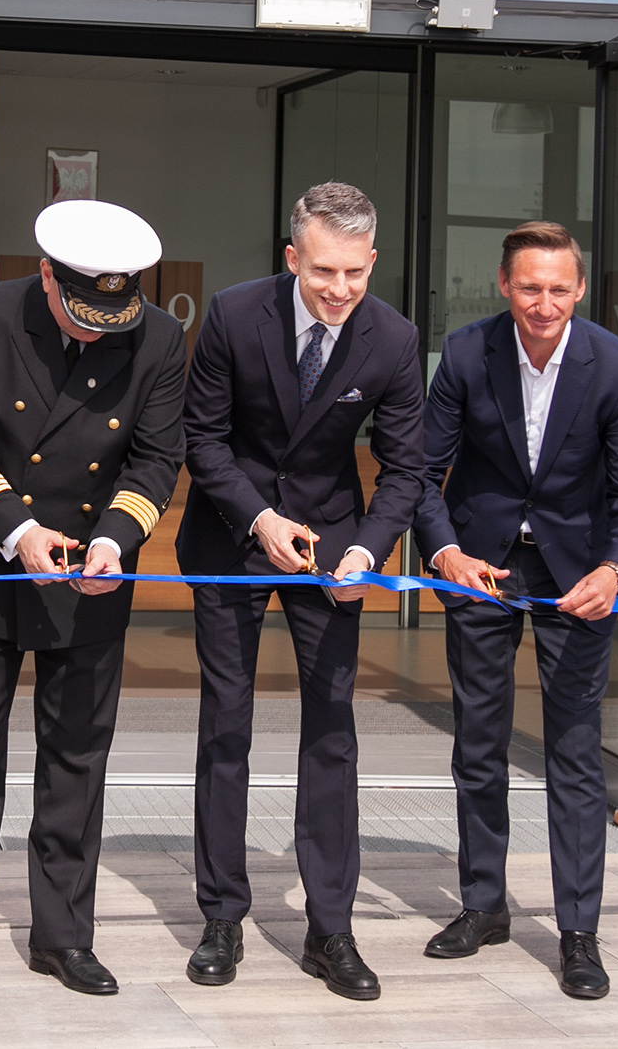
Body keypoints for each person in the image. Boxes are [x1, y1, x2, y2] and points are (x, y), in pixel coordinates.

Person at [0, 200, 186, 997]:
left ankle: (64, 937)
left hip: (93, 570)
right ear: (48, 278)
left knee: (75, 761)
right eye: (82, 312)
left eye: (112, 316)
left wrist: (117, 540)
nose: (97, 333)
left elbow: (158, 456)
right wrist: (17, 531)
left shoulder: (158, 336)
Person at [176, 181, 425, 1000]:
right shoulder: (233, 313)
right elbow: (203, 439)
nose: (340, 289)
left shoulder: (392, 339)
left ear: (372, 262)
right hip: (231, 532)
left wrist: (369, 551)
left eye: (355, 273)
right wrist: (259, 519)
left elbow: (407, 467)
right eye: (323, 271)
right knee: (228, 724)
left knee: (332, 732)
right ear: (292, 257)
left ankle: (331, 928)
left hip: (333, 547)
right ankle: (221, 914)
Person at [413, 219, 618, 1001]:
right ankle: (483, 905)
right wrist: (444, 552)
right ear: (504, 285)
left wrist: (616, 570)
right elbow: (421, 471)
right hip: (479, 564)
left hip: (577, 572)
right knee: (478, 742)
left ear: (579, 290)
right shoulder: (464, 354)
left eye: (558, 288)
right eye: (529, 287)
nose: (544, 302)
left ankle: (579, 932)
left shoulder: (616, 368)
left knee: (575, 753)